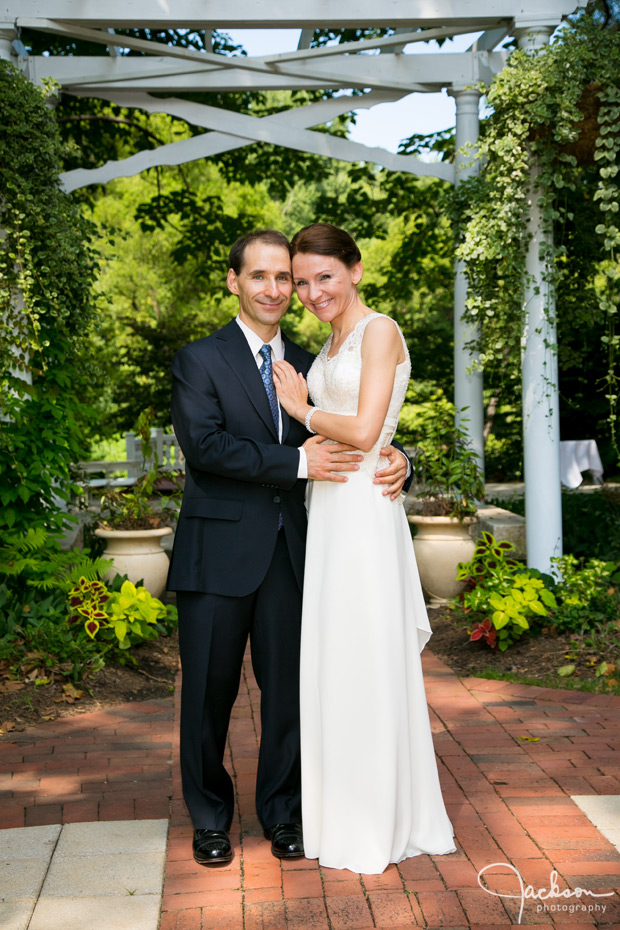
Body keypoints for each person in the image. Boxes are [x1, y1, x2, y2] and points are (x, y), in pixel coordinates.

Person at [167, 229, 410, 867]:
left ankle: (283, 814)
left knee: (291, 694)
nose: (278, 290)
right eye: (263, 277)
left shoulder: (316, 354)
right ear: (234, 282)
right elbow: (206, 448)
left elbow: (367, 423)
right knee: (207, 696)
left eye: (288, 279)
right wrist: (296, 465)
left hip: (302, 550)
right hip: (218, 550)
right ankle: (211, 818)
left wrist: (399, 456)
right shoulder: (200, 359)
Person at [273, 223, 455, 874]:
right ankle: (338, 813)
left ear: (354, 269)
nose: (312, 291)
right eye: (301, 281)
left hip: (365, 518)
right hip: (328, 512)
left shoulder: (380, 330)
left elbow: (369, 428)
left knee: (368, 658)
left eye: (324, 276)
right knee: (334, 658)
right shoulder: (328, 342)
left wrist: (303, 412)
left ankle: (379, 820)